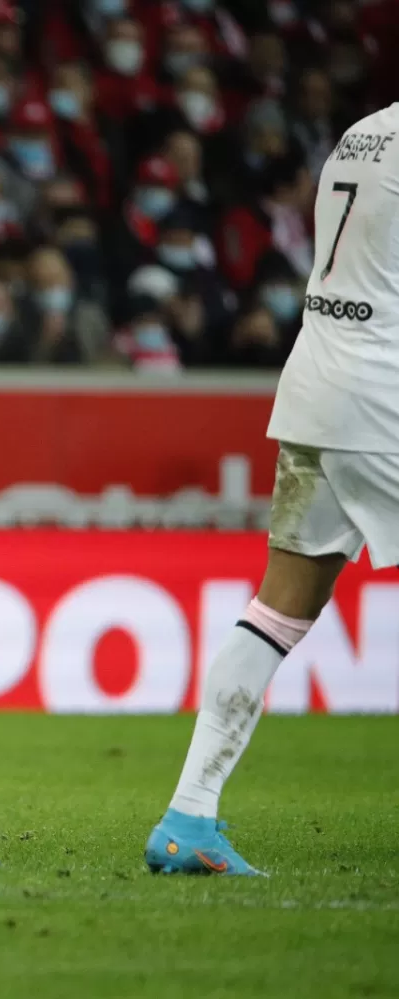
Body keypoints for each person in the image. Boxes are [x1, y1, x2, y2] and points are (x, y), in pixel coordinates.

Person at [146, 103, 399, 876]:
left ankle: (188, 815)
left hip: (317, 383)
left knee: (278, 609)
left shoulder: (366, 129)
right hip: (385, 394)